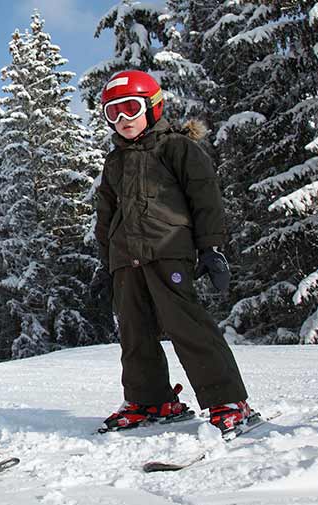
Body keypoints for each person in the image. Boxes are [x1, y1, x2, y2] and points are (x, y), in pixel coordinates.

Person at [94, 70, 253, 434]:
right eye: (113, 112)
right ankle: (151, 400)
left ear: (153, 107)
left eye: (131, 108)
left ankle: (229, 400)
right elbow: (106, 216)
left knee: (187, 325)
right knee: (134, 332)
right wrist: (106, 265)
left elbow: (205, 196)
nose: (123, 119)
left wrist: (210, 247)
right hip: (125, 258)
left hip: (168, 248)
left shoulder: (176, 148)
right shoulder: (114, 161)